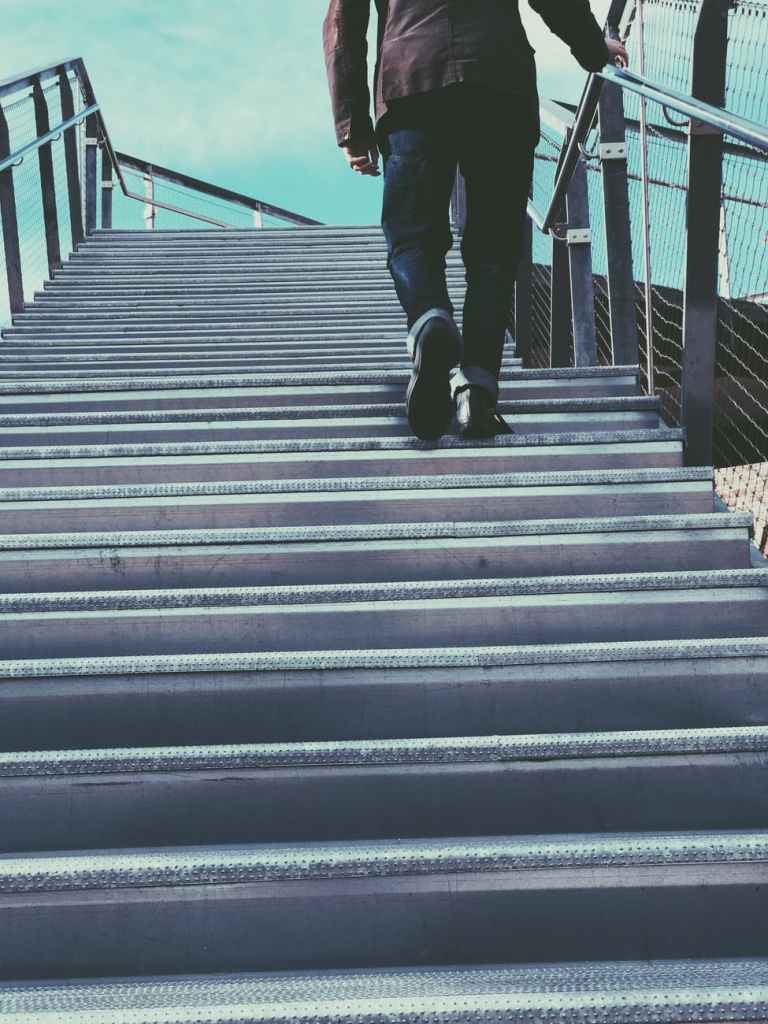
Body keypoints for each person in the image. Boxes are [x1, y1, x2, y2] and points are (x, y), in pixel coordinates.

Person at [323, 1, 629, 440]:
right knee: (494, 253)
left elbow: (343, 22)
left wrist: (351, 124)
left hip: (412, 84)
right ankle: (476, 392)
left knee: (412, 237)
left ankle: (429, 320)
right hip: (500, 81)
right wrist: (593, 49)